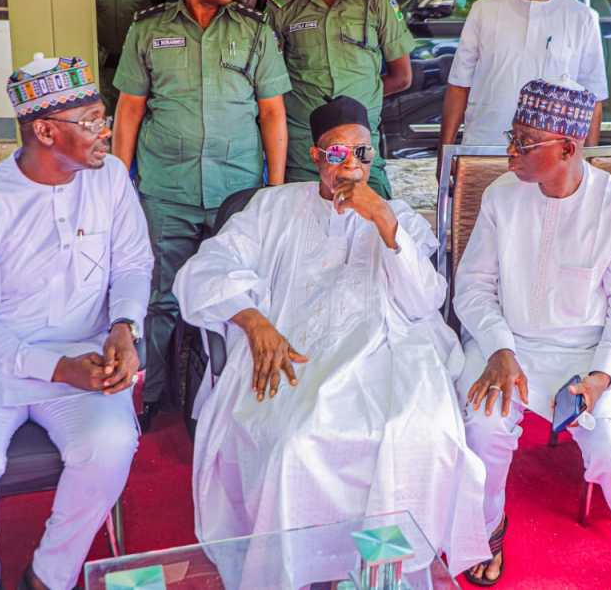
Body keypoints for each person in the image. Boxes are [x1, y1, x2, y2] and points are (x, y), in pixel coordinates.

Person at [172, 95, 489, 582]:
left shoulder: (397, 214)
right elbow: (207, 268)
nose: (351, 165)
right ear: (316, 156)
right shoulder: (273, 206)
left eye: (362, 153)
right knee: (296, 445)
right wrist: (254, 322)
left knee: (417, 435)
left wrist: (383, 221)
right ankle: (304, 567)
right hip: (292, 347)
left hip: (387, 347)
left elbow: (424, 301)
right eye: (337, 153)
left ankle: (381, 568)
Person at [454, 77, 611, 590]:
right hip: (505, 343)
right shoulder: (502, 195)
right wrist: (499, 348)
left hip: (583, 355)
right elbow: (473, 286)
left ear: (568, 148)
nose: (511, 151)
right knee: (483, 427)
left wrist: (602, 376)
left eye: (525, 142)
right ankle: (488, 529)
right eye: (513, 137)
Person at [0, 55, 151, 590]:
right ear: (45, 131)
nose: (105, 131)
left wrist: (124, 326)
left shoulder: (111, 179)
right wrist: (57, 368)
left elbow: (133, 264)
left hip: (84, 353)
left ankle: (49, 576)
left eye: (102, 117)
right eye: (90, 121)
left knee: (111, 444)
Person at [112, 0, 291, 430]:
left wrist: (275, 192)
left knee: (236, 292)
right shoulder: (148, 30)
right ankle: (154, 395)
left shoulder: (254, 31)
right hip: (166, 189)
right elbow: (129, 110)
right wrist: (117, 184)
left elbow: (272, 113)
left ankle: (228, 394)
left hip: (236, 190)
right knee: (161, 297)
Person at [268, 0, 415, 198]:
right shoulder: (283, 8)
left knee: (374, 220)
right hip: (306, 154)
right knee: (303, 223)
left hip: (360, 152)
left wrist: (354, 106)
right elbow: (270, 87)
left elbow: (402, 77)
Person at [440, 0, 608, 158]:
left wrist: (588, 162)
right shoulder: (485, 10)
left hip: (549, 160)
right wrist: (444, 155)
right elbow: (458, 85)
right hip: (484, 148)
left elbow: (593, 98)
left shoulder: (582, 18)